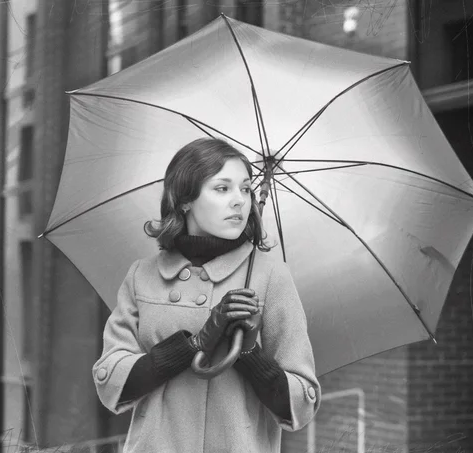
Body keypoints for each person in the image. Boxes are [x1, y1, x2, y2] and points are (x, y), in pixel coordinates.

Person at [92, 138, 320, 453]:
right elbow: (112, 384)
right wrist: (194, 345)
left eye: (245, 188)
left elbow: (299, 404)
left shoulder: (271, 276)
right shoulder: (142, 275)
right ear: (184, 199)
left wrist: (248, 353)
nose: (239, 200)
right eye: (222, 188)